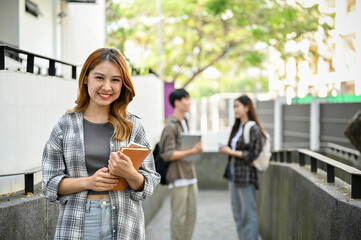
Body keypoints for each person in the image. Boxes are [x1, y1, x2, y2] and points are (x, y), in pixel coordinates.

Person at [42, 48, 160, 240]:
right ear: (86, 78)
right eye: (99, 78)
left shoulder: (133, 126)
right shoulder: (65, 126)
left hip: (124, 223)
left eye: (115, 80)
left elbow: (150, 181)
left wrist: (130, 174)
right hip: (78, 223)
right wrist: (89, 182)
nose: (107, 87)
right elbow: (49, 185)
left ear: (123, 84)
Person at [219, 95, 265, 240]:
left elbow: (253, 154)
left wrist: (231, 151)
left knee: (248, 213)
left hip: (245, 175)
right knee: (237, 212)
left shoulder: (253, 128)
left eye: (238, 106)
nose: (235, 109)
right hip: (233, 172)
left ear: (247, 107)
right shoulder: (238, 127)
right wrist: (227, 149)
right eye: (234, 106)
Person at [158, 88, 203, 240]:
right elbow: (168, 154)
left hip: (191, 174)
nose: (189, 103)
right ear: (177, 102)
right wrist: (192, 150)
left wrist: (195, 149)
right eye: (186, 99)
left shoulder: (185, 122)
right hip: (177, 176)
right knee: (178, 218)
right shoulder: (171, 126)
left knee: (191, 215)